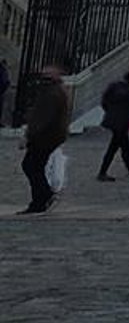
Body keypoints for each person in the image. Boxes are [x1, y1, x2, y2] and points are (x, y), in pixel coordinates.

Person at [19, 63, 71, 213]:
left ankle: (42, 198)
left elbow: (42, 118)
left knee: (31, 166)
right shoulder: (54, 91)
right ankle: (42, 198)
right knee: (33, 166)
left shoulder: (51, 93)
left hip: (45, 137)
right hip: (50, 136)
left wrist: (29, 135)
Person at [98, 67, 129, 180]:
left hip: (120, 122)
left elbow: (105, 101)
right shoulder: (125, 89)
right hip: (119, 122)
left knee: (124, 146)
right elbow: (106, 101)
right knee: (115, 147)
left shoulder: (120, 87)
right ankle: (103, 172)